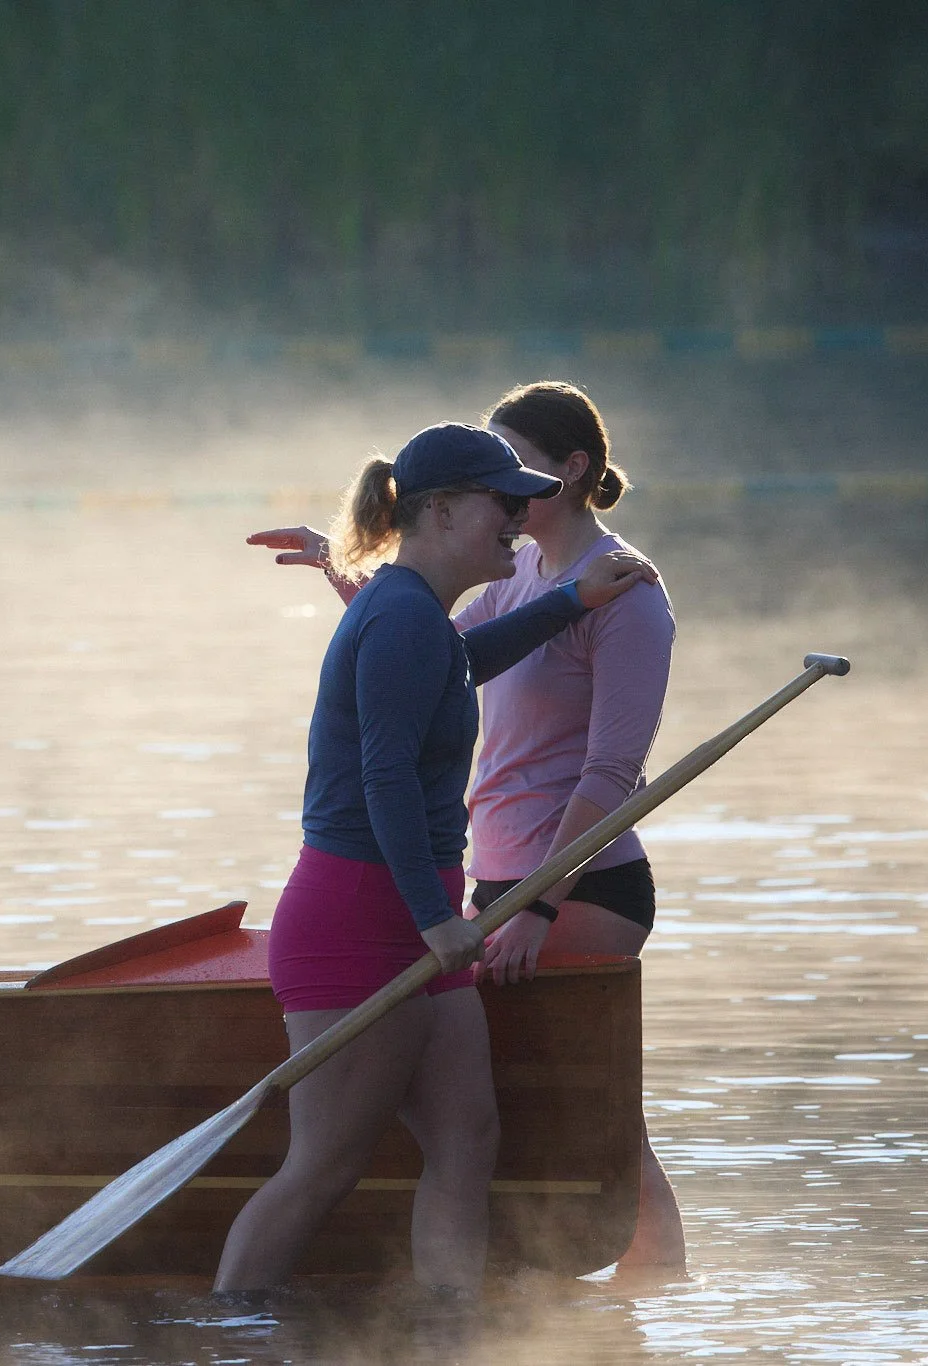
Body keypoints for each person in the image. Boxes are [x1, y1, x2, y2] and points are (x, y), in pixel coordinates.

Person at [247, 380, 686, 1273]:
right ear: (447, 509)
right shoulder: (486, 581)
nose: (515, 504)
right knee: (484, 1133)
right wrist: (352, 575)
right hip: (462, 895)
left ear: (572, 472)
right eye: (497, 483)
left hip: (565, 888)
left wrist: (538, 906)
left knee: (592, 1124)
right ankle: (439, 1318)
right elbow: (430, 656)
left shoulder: (628, 592)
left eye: (519, 474)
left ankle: (652, 1305)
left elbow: (606, 770)